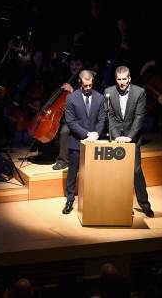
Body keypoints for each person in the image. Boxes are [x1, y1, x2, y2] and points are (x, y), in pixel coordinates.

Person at [104, 65, 154, 217]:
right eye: (119, 79)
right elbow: (109, 116)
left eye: (124, 79)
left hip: (132, 137)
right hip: (116, 138)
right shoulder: (109, 92)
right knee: (117, 172)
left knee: (135, 170)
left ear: (129, 78)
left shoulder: (140, 92)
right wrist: (115, 136)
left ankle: (144, 204)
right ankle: (120, 205)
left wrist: (129, 137)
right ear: (116, 79)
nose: (122, 82)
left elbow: (139, 117)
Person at [62, 70, 105, 214]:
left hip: (94, 142)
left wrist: (96, 134)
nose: (88, 88)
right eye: (85, 86)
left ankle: (93, 199)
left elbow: (101, 119)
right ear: (80, 82)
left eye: (90, 85)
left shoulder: (99, 97)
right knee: (73, 172)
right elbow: (70, 121)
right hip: (76, 141)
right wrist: (87, 134)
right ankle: (69, 200)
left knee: (93, 173)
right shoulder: (71, 98)